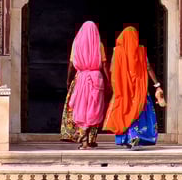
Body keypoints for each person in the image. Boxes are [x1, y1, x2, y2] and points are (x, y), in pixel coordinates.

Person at [103, 26, 165, 149]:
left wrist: (115, 86)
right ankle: (135, 137)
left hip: (124, 88)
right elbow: (148, 68)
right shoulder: (141, 50)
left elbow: (112, 70)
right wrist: (157, 84)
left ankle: (129, 137)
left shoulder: (117, 51)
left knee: (125, 111)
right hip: (139, 88)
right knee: (138, 112)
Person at [60, 21, 110, 149]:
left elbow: (71, 64)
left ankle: (83, 140)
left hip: (80, 79)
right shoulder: (99, 45)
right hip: (96, 79)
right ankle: (91, 140)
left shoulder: (76, 44)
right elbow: (104, 64)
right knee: (94, 109)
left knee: (81, 108)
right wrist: (108, 80)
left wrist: (68, 79)